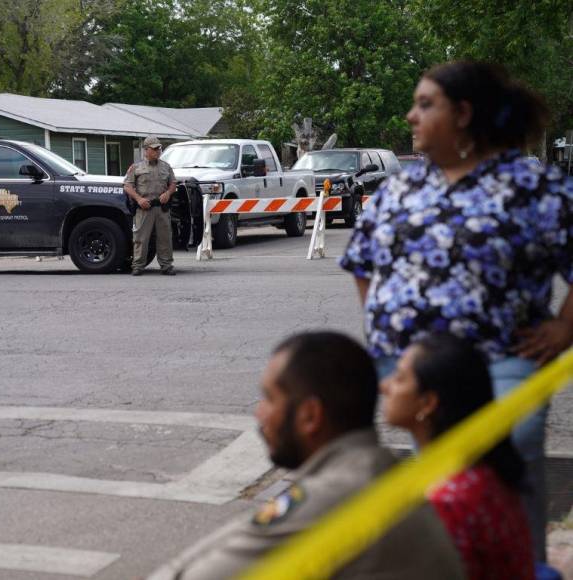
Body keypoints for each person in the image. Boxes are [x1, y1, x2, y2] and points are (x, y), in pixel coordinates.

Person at [339, 60, 573, 559]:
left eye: (425, 104)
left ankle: (520, 564)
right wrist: (382, 330)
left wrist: (565, 327)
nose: (409, 116)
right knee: (440, 479)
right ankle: (455, 564)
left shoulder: (534, 187)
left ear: (463, 113)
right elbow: (360, 260)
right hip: (414, 365)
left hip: (502, 359)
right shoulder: (401, 188)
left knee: (509, 464)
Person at [147, 332, 465, 580]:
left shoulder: (338, 493)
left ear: (310, 416)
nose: (259, 415)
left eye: (269, 399)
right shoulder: (375, 471)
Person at [381, 334, 535, 579]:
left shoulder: (448, 499)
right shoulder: (482, 473)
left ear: (428, 402)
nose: (385, 386)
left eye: (399, 378)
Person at [124, 135, 178, 275]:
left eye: (158, 148)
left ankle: (166, 265)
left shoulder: (166, 166)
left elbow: (173, 183)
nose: (157, 151)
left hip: (161, 207)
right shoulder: (136, 167)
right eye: (154, 149)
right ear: (146, 150)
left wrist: (168, 193)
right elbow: (127, 186)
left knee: (165, 238)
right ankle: (138, 266)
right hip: (144, 208)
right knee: (141, 238)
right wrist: (138, 199)